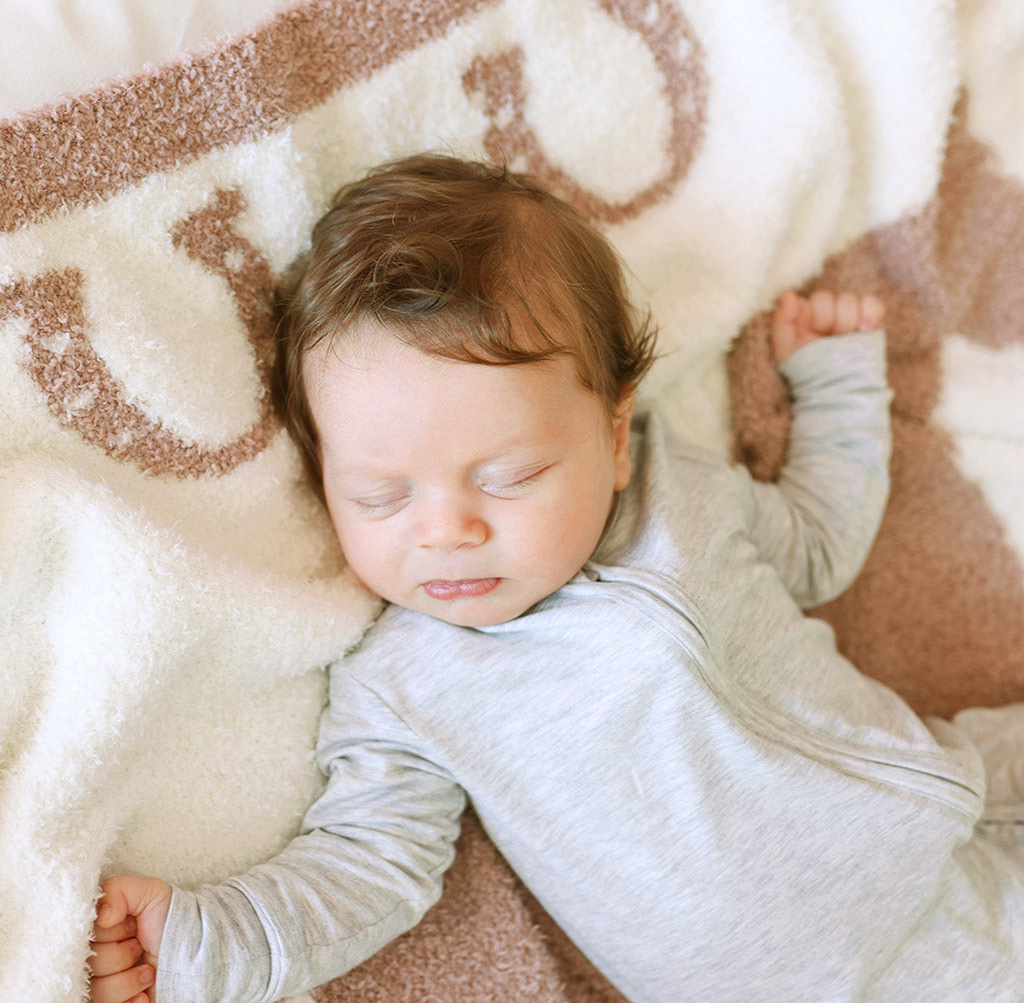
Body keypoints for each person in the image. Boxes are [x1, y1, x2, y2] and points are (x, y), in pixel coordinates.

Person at [88, 154, 1024, 1003]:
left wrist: (837, 388)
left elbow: (819, 543)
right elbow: (369, 865)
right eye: (380, 496)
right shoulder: (405, 685)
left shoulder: (679, 497)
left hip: (949, 815)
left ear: (614, 438)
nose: (450, 529)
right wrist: (204, 940)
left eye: (511, 477)